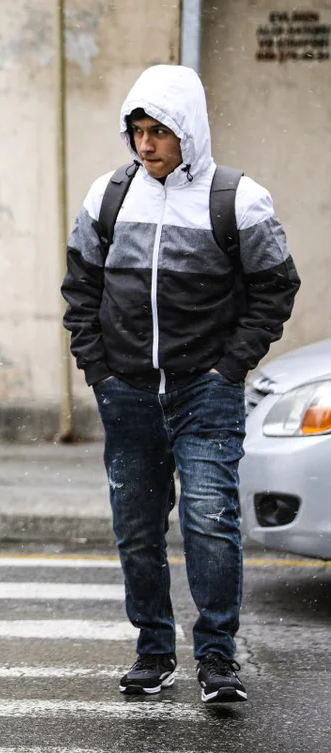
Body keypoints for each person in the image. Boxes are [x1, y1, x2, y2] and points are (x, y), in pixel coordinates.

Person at [61, 65, 300, 704]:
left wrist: (230, 367)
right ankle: (153, 651)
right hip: (129, 394)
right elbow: (80, 289)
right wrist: (101, 372)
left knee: (209, 521)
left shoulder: (239, 200)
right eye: (137, 131)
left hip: (206, 393)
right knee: (137, 528)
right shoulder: (106, 197)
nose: (145, 145)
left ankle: (218, 660)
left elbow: (277, 286)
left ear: (187, 132)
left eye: (159, 132)